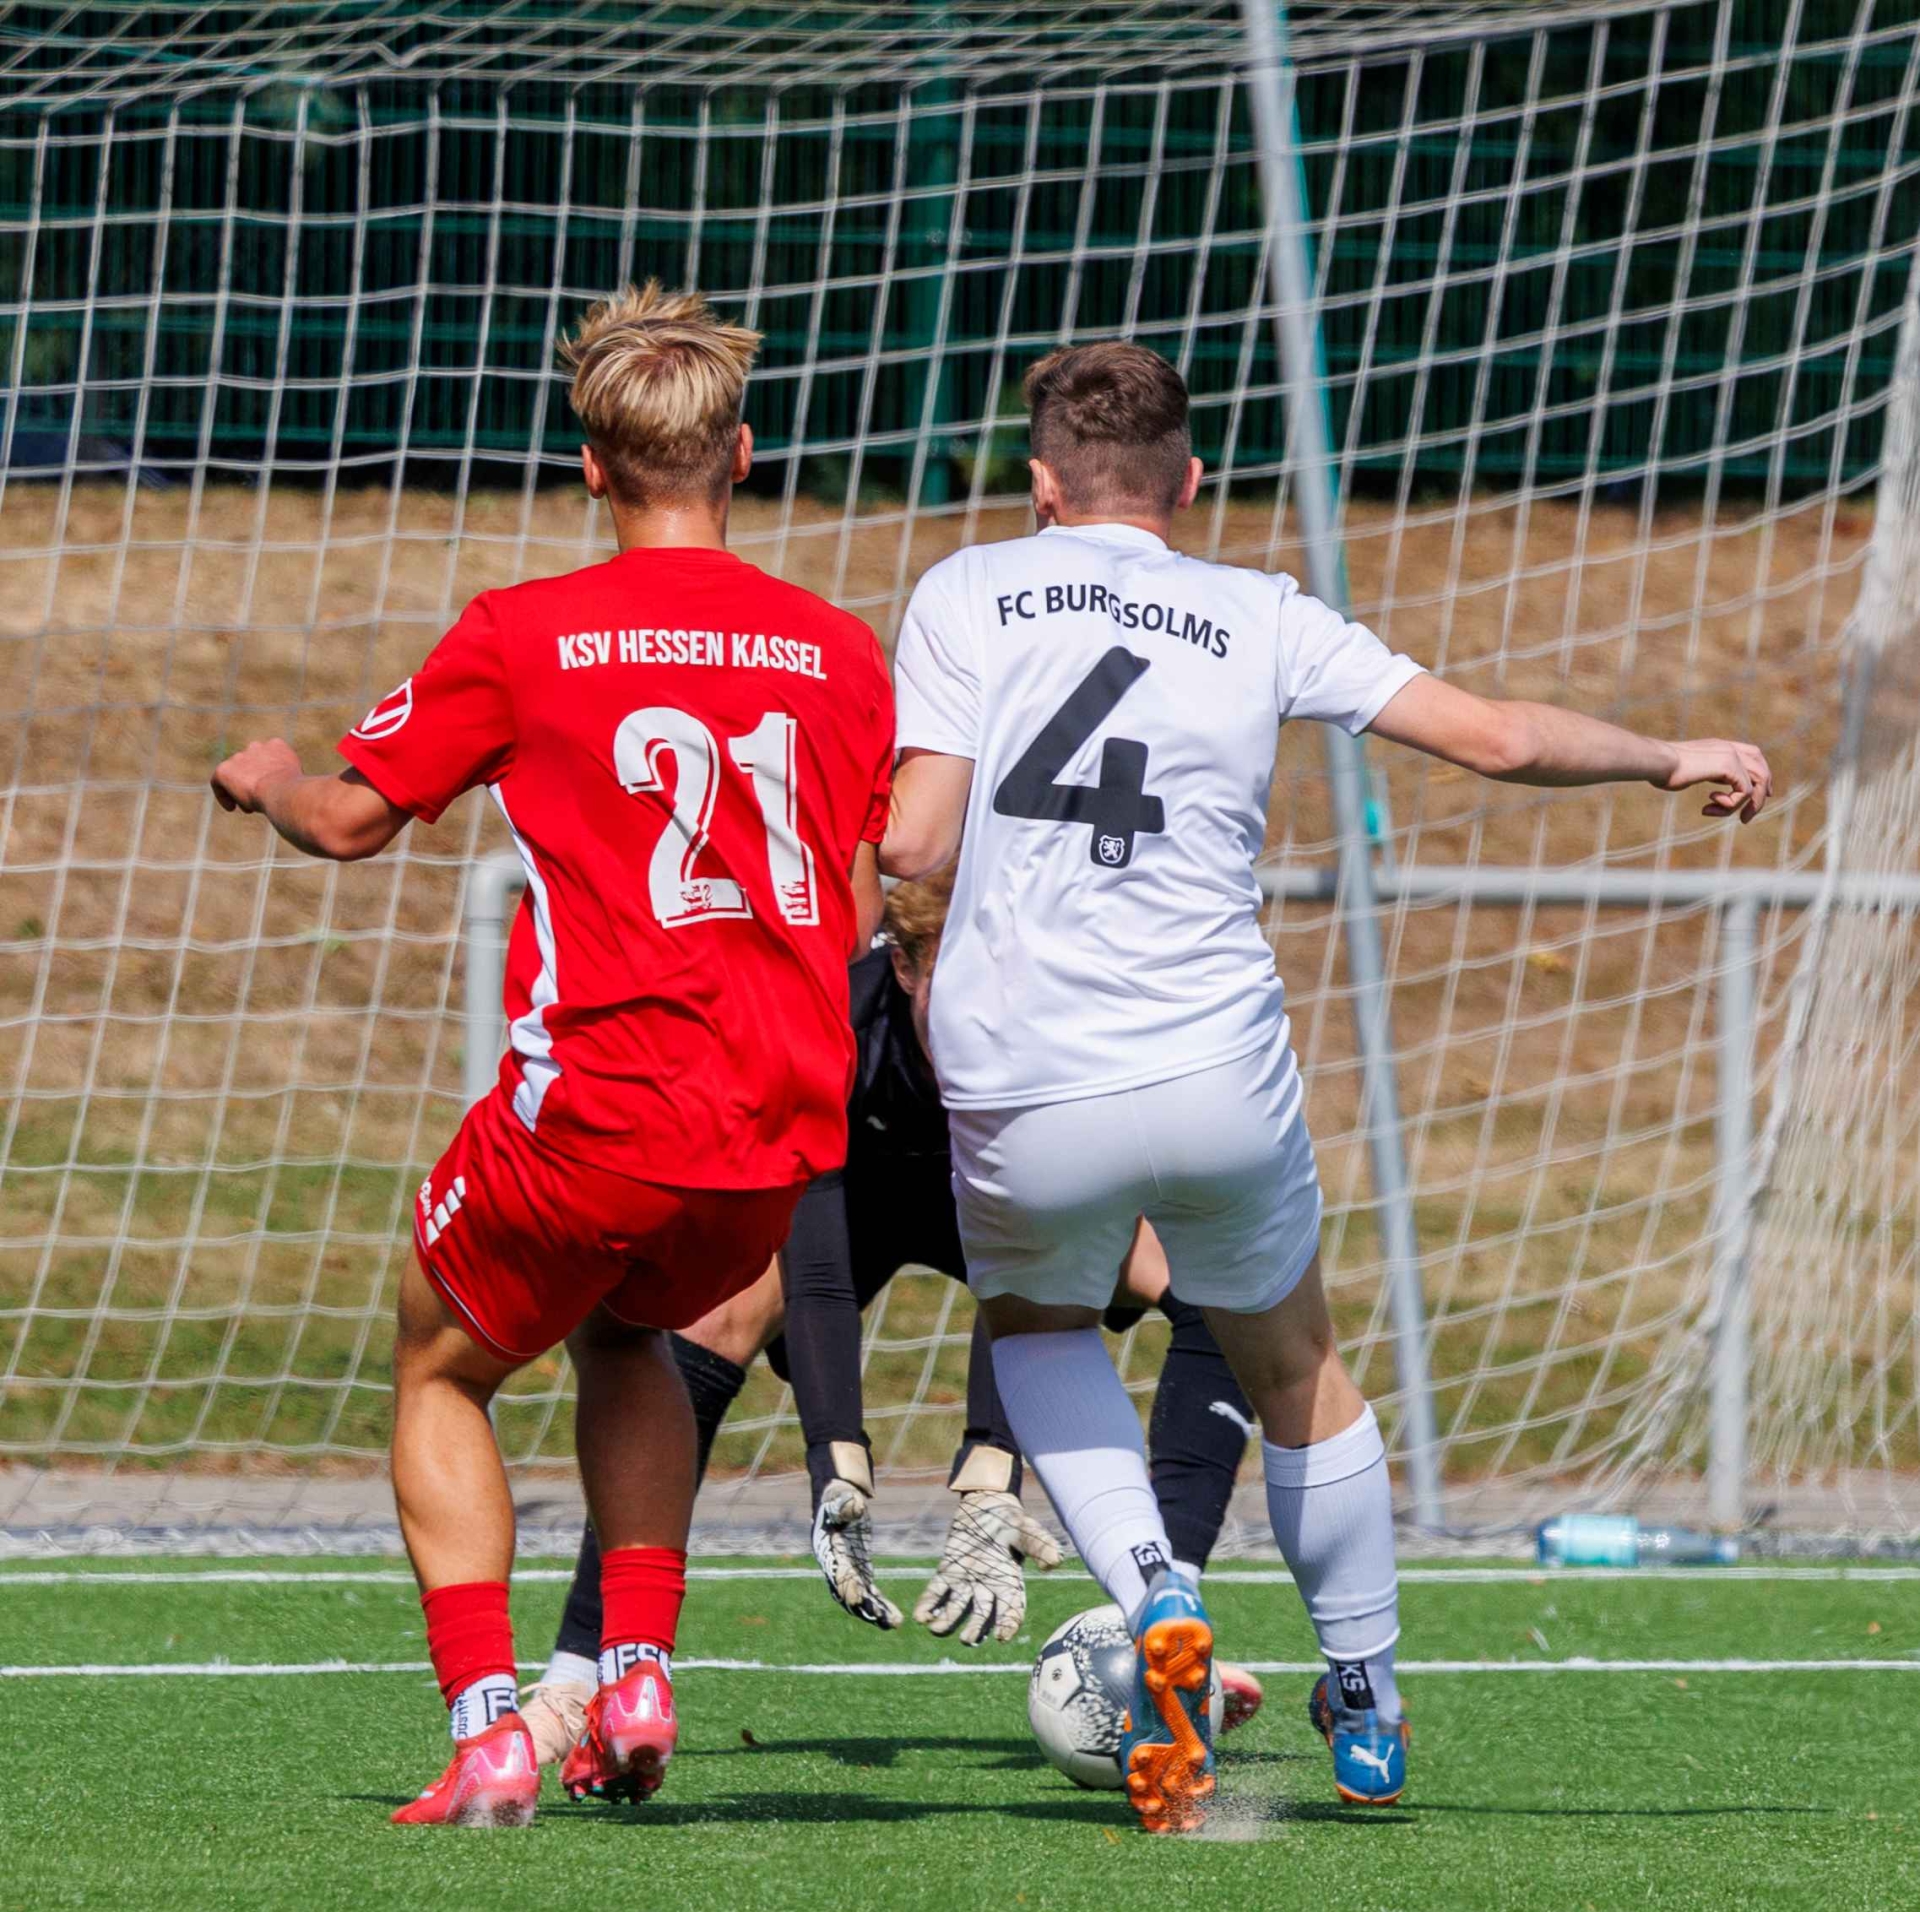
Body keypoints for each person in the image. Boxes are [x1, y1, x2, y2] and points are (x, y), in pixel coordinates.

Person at [880, 340, 1773, 1832]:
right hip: (1215, 1063)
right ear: (1189, 481)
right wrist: (1666, 753)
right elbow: (1495, 739)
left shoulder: (967, 589)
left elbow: (914, 843)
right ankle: (1365, 1698)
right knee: (1295, 1366)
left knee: (1036, 1330)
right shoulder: (1259, 611)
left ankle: (1157, 1594)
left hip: (1024, 1070)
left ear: (1040, 486)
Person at [210, 283, 895, 1827]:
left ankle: (488, 1731)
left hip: (598, 1112)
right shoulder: (842, 653)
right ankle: (635, 1671)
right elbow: (854, 904)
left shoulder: (524, 635)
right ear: (742, 452)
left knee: (437, 1363)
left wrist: (269, 777)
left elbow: (353, 821)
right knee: (627, 1337)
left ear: (591, 467)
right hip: (773, 1135)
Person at [518, 874, 1271, 1767]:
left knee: (1219, 1296)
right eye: (958, 981)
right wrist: (834, 1460)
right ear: (907, 967)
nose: (981, 1014)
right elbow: (819, 1271)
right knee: (706, 1323)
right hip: (849, 1199)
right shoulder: (831, 1019)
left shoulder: (1055, 1030)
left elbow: (1036, 1270)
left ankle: (1165, 1619)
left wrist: (991, 1466)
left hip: (1007, 1209)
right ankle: (582, 1675)